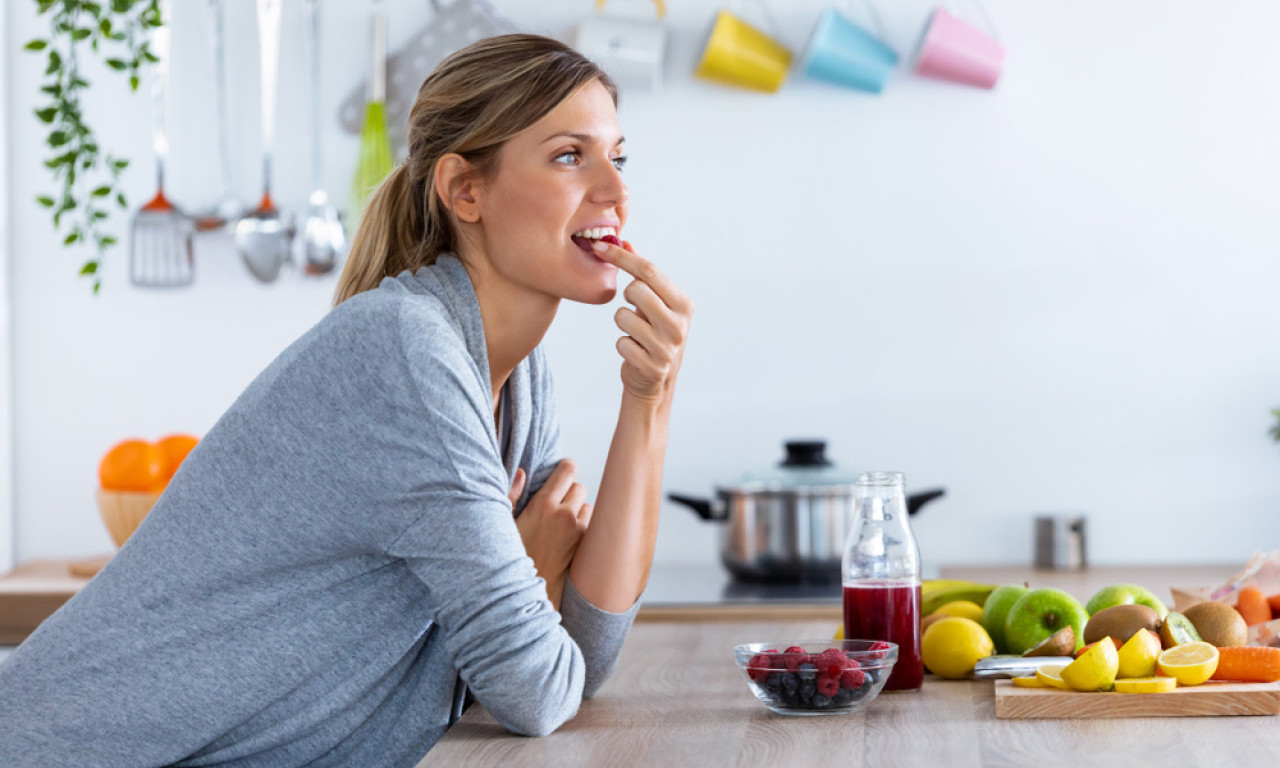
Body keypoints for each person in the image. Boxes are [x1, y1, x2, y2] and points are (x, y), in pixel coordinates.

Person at [0, 34, 692, 766]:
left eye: (616, 157)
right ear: (465, 190)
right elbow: (537, 689)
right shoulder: (408, 353)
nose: (615, 191)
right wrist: (530, 569)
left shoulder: (518, 374)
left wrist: (649, 396)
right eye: (568, 156)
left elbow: (582, 658)